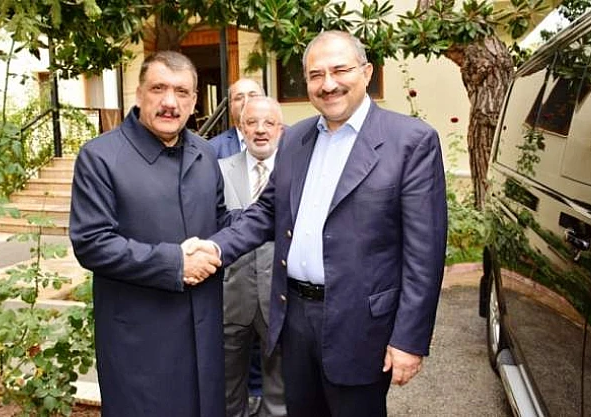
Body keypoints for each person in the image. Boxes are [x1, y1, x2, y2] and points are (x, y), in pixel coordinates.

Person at [189, 31, 448, 416]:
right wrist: (215, 247)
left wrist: (409, 339)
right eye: (315, 75)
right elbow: (267, 212)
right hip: (294, 319)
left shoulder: (410, 141)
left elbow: (424, 254)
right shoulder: (295, 139)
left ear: (366, 72)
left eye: (340, 70)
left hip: (361, 326)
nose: (328, 84)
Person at [69, 51, 232, 417]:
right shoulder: (100, 157)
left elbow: (219, 219)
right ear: (140, 93)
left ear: (194, 101)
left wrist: (266, 214)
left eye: (181, 92)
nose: (170, 102)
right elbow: (92, 242)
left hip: (203, 334)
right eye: (158, 88)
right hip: (140, 342)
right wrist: (176, 263)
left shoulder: (205, 154)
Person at [220, 96, 286, 417]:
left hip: (280, 298)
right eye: (251, 123)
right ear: (241, 128)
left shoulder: (295, 172)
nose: (260, 130)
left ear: (280, 129)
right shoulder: (217, 170)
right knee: (226, 388)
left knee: (280, 390)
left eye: (269, 123)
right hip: (230, 299)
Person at [209, 78, 264, 158]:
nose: (246, 102)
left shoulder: (283, 141)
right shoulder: (213, 149)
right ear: (231, 106)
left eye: (253, 96)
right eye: (239, 98)